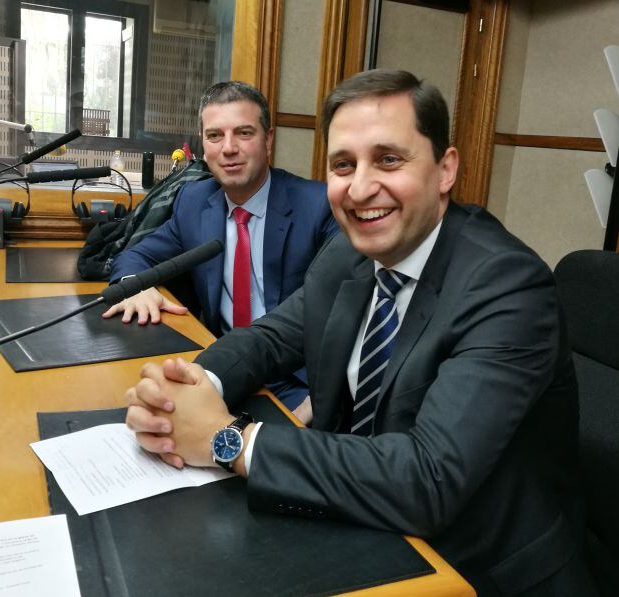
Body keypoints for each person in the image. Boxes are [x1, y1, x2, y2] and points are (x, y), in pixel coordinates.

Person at [123, 70, 597, 596]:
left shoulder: (508, 285)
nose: (361, 187)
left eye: (389, 160)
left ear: (445, 170)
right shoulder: (350, 251)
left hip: (476, 566)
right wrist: (193, 386)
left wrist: (225, 439)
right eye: (343, 165)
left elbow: (427, 480)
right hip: (363, 521)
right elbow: (273, 336)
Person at [104, 81, 338, 413]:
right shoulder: (195, 202)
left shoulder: (317, 206)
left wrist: (317, 403)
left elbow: (345, 311)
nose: (228, 148)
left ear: (268, 139)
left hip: (292, 383)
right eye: (215, 136)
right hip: (221, 368)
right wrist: (133, 286)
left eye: (244, 133)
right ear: (203, 144)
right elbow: (137, 254)